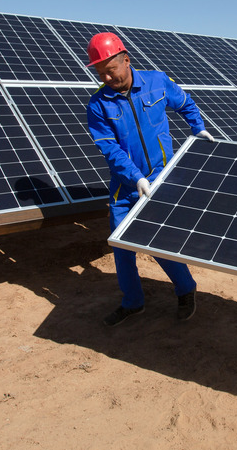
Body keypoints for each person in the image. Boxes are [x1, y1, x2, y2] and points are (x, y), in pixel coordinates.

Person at [85, 32, 215, 327]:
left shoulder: (157, 82)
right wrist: (135, 177)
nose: (106, 77)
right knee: (122, 245)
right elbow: (109, 147)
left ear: (126, 60)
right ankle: (133, 302)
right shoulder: (98, 105)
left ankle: (186, 289)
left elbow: (186, 103)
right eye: (100, 72)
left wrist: (197, 128)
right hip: (125, 186)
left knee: (160, 241)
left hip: (161, 178)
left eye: (111, 69)